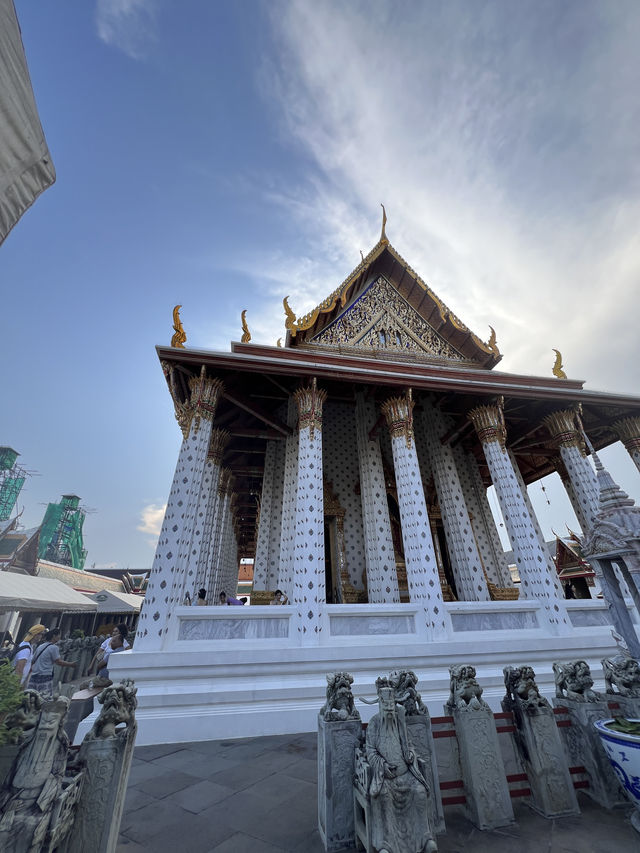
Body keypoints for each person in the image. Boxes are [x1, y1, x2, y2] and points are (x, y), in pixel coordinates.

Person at [29, 627, 76, 698]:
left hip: (34, 676)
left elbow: (33, 661)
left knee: (32, 697)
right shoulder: (54, 648)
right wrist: (71, 664)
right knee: (45, 699)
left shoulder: (40, 646)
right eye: (59, 635)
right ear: (54, 636)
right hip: (45, 676)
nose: (60, 637)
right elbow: (58, 662)